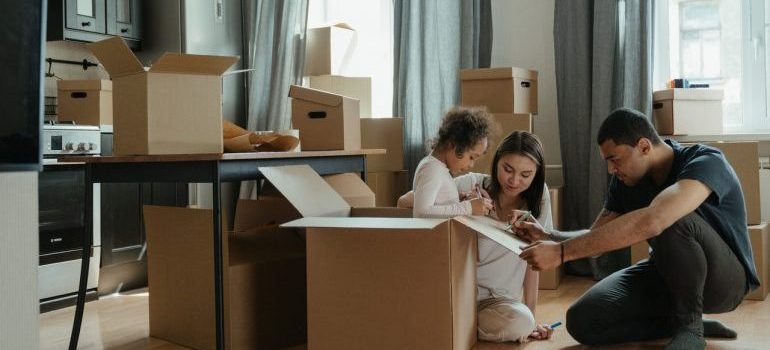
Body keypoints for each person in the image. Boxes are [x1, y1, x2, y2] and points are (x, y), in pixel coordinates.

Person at [515, 108, 758, 350]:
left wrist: (560, 253)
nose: (611, 170)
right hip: (666, 274)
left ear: (644, 146)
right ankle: (676, 323)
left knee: (669, 217)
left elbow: (655, 220)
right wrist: (551, 237)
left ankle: (691, 328)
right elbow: (595, 239)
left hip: (725, 282)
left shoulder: (706, 161)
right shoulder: (625, 182)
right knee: (582, 320)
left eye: (614, 159)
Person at [400, 131, 556, 342]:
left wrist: (532, 317)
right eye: (507, 169)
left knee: (522, 323)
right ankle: (455, 324)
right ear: (496, 162)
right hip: (459, 293)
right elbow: (405, 201)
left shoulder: (539, 199)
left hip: (499, 302)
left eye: (526, 175)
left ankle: (454, 326)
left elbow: (534, 261)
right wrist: (463, 205)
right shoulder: (471, 184)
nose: (514, 180)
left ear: (537, 174)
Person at [411, 106, 494, 218]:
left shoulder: (439, 168)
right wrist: (468, 207)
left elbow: (438, 205)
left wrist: (457, 201)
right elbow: (421, 212)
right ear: (452, 144)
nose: (471, 165)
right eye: (471, 157)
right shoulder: (431, 169)